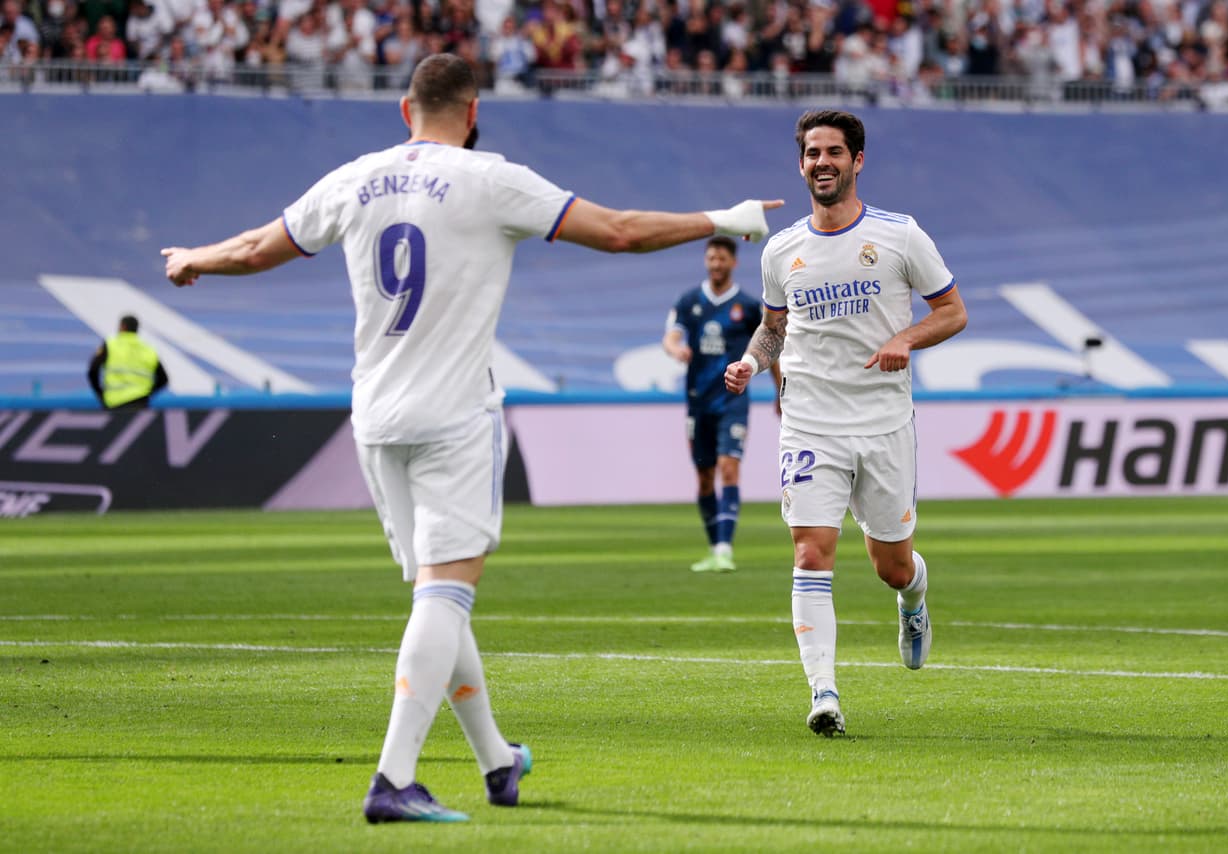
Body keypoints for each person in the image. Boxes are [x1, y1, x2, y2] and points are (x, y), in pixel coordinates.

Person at [160, 54, 780, 824]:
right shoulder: (491, 179)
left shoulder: (355, 177)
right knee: (444, 595)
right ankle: (393, 779)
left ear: (404, 109)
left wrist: (195, 260)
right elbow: (619, 233)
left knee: (437, 600)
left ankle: (497, 760)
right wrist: (723, 219)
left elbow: (256, 248)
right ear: (474, 110)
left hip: (376, 418)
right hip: (455, 416)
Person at [724, 110, 967, 738]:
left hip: (883, 422)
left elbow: (952, 312)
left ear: (858, 161)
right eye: (812, 153)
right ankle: (824, 692)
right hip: (809, 423)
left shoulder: (900, 235)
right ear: (800, 164)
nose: (822, 163)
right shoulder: (781, 250)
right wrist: (752, 362)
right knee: (811, 551)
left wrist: (906, 339)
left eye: (834, 152)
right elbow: (775, 329)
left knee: (890, 564)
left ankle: (913, 596)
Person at [663, 235, 780, 573]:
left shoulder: (746, 306)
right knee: (704, 477)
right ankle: (715, 547)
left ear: (733, 263)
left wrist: (778, 390)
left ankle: (725, 549)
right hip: (698, 403)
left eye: (722, 259)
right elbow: (671, 336)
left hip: (732, 402)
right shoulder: (689, 301)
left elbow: (769, 348)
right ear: (706, 261)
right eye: (711, 258)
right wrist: (676, 350)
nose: (716, 264)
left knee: (729, 468)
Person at [87, 315, 169, 409]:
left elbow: (93, 370)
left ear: (122, 326)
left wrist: (100, 394)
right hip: (140, 403)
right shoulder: (149, 349)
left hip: (114, 403)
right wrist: (147, 394)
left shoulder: (111, 344)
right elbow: (164, 379)